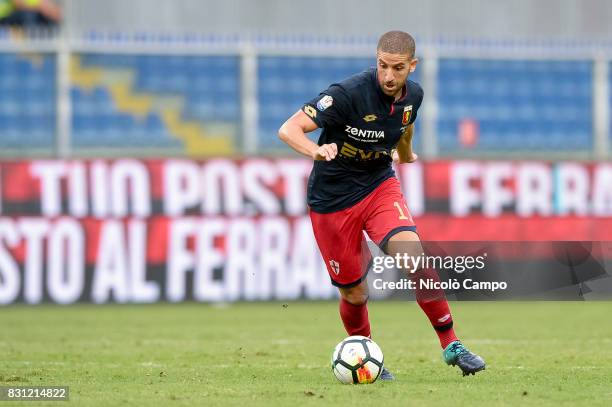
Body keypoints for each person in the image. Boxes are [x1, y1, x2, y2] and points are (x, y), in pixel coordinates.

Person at [278, 30, 485, 379]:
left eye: (398, 68)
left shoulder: (413, 96)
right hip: (332, 201)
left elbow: (405, 126)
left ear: (412, 66)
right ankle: (365, 355)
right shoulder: (347, 94)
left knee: (414, 258)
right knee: (355, 293)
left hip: (378, 187)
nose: (389, 76)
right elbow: (289, 129)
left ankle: (452, 345)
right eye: (383, 66)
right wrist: (316, 149)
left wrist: (405, 154)